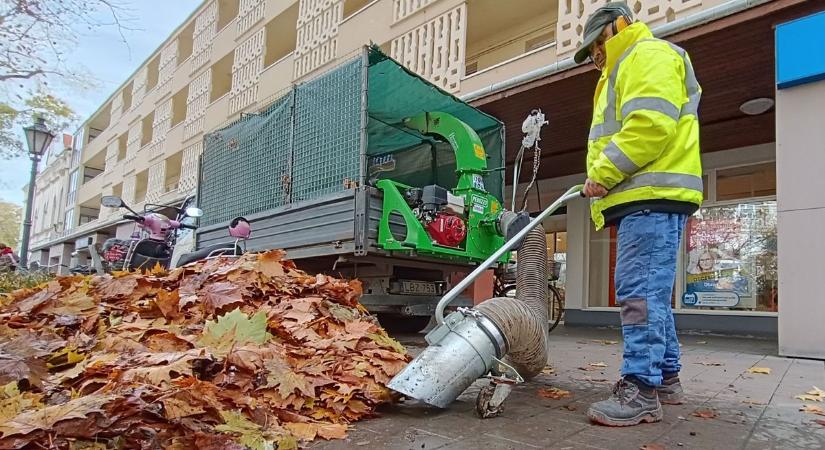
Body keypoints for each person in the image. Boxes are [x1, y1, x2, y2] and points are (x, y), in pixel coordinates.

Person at [575, 2, 703, 426]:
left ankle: (641, 390)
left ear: (616, 27)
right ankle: (665, 379)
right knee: (651, 294)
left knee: (639, 294)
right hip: (647, 196)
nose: (595, 57)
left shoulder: (646, 55)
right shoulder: (626, 66)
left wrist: (603, 172)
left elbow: (649, 124)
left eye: (596, 45)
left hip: (651, 195)